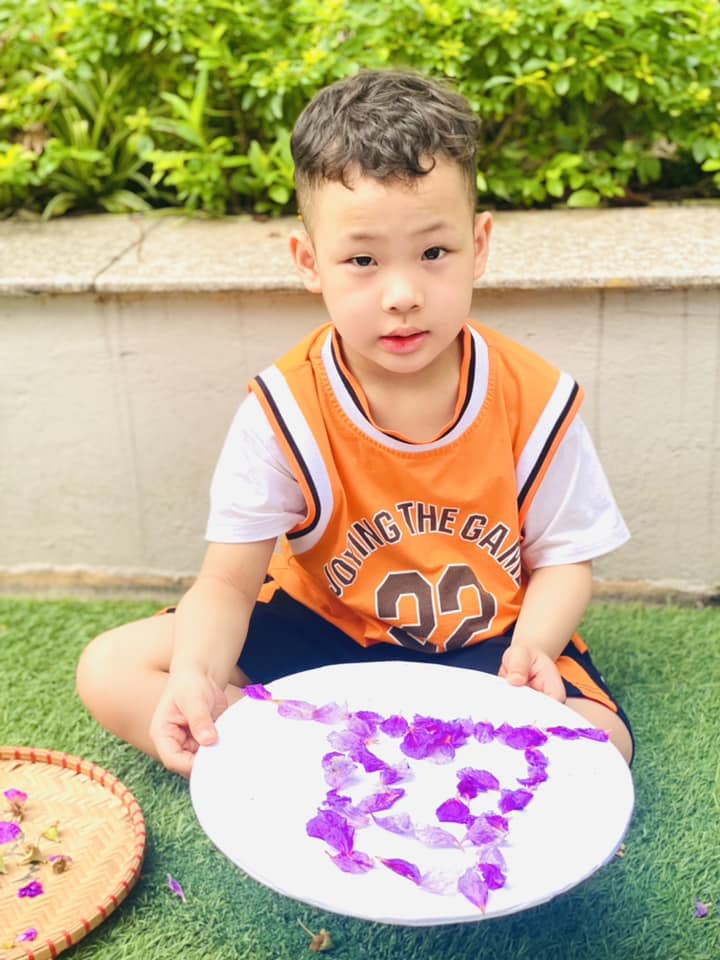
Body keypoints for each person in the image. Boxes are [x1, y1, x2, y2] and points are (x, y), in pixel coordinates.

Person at [76, 69, 634, 776]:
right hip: (326, 629)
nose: (402, 295)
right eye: (363, 260)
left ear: (480, 243)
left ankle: (352, 759)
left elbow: (565, 560)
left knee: (602, 749)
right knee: (111, 668)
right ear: (310, 262)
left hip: (486, 643)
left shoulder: (538, 399)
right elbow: (227, 585)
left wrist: (533, 650)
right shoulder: (284, 411)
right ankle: (323, 760)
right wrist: (196, 677)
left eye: (434, 253)